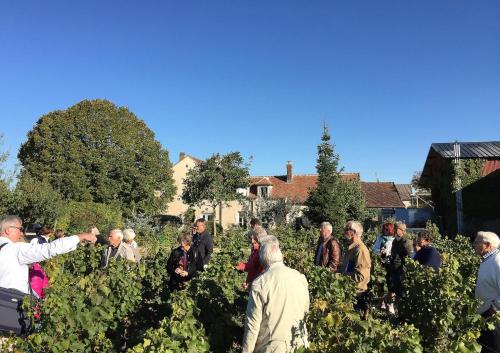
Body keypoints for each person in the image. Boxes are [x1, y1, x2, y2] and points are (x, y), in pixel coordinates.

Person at [242, 236, 309, 353]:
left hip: (272, 347)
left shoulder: (260, 283)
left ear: (263, 261)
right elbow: (305, 310)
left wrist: (246, 351)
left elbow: (252, 325)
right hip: (299, 344)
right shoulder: (299, 277)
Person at [0, 215, 96, 294]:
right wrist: (81, 236)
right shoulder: (15, 249)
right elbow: (50, 249)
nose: (22, 233)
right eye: (20, 229)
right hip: (10, 303)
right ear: (8, 230)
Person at [473, 231, 500, 352]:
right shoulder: (487, 260)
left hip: (493, 318)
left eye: (477, 242)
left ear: (488, 245)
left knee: (493, 348)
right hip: (485, 315)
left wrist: (493, 308)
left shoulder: (497, 262)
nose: (473, 244)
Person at [339, 220, 371, 317]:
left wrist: (341, 276)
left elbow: (361, 276)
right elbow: (347, 269)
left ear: (355, 233)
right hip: (349, 292)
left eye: (347, 229)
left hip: (357, 294)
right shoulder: (351, 248)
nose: (345, 231)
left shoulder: (360, 250)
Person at [386, 221, 413, 314]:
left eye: (396, 228)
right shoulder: (395, 240)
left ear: (402, 230)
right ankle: (396, 309)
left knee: (401, 289)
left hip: (401, 268)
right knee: (393, 287)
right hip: (394, 266)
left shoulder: (406, 240)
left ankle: (404, 310)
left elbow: (410, 256)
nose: (395, 230)